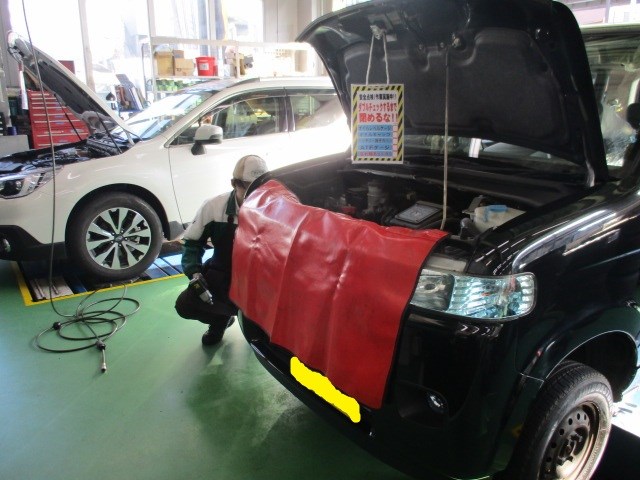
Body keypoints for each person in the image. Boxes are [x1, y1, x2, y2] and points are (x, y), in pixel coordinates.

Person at [174, 154, 268, 345]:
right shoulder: (214, 207)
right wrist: (194, 274)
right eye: (249, 187)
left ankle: (261, 333)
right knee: (185, 306)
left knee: (263, 334)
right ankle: (219, 321)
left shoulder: (277, 207)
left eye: (261, 187)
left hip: (261, 279)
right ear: (234, 183)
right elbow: (192, 243)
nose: (256, 194)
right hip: (223, 273)